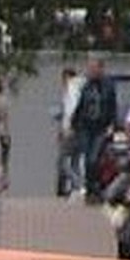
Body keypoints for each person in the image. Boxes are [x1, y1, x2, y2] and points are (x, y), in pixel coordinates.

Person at [72, 56, 118, 204]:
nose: (91, 71)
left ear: (101, 69)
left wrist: (112, 124)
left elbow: (112, 107)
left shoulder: (108, 86)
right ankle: (90, 190)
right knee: (87, 160)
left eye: (94, 68)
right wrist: (74, 124)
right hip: (86, 127)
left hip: (100, 128)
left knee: (94, 159)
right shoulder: (86, 86)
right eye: (89, 68)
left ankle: (96, 188)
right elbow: (80, 106)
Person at [55, 65, 85, 198]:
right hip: (79, 130)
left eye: (63, 79)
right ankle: (76, 189)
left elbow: (71, 110)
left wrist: (69, 128)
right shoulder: (81, 88)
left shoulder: (72, 89)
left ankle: (79, 185)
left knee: (62, 162)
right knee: (75, 161)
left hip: (71, 131)